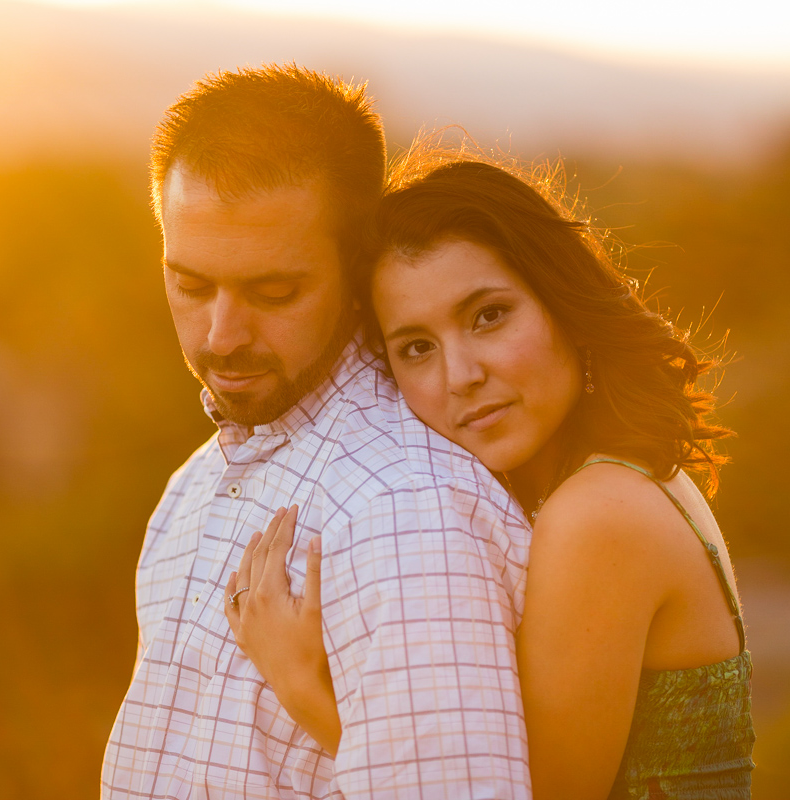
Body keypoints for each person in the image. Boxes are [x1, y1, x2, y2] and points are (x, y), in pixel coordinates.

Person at [225, 153, 756, 799]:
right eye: (417, 347)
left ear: (562, 303)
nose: (461, 375)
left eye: (488, 316)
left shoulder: (599, 513)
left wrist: (300, 684)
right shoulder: (622, 479)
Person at [102, 67, 536, 799]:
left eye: (275, 292)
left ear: (358, 268)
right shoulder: (193, 487)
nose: (222, 335)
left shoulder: (405, 510)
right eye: (191, 284)